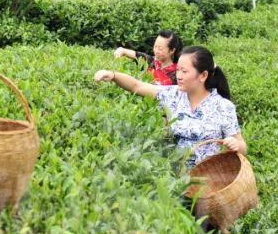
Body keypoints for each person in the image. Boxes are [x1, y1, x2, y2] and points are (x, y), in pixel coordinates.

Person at [94, 45, 246, 167]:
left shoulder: (223, 106)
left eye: (184, 71)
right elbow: (137, 86)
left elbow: (242, 147)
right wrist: (113, 75)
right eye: (178, 69)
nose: (178, 76)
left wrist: (236, 145)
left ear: (203, 75)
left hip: (209, 179)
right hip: (174, 176)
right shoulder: (173, 95)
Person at [113, 30, 182, 86]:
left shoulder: (177, 74)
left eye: (160, 49)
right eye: (155, 46)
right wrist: (121, 51)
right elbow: (133, 54)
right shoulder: (151, 61)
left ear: (172, 50)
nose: (156, 51)